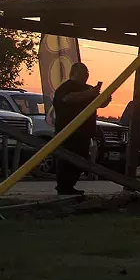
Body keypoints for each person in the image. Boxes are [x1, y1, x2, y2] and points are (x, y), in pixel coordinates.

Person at [51, 62, 108, 196]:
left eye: (87, 73)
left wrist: (105, 99)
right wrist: (90, 93)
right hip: (68, 132)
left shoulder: (88, 89)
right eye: (83, 73)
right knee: (67, 159)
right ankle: (63, 187)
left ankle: (69, 186)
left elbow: (100, 103)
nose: (86, 76)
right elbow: (68, 99)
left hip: (85, 132)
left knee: (81, 160)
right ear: (74, 73)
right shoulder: (66, 88)